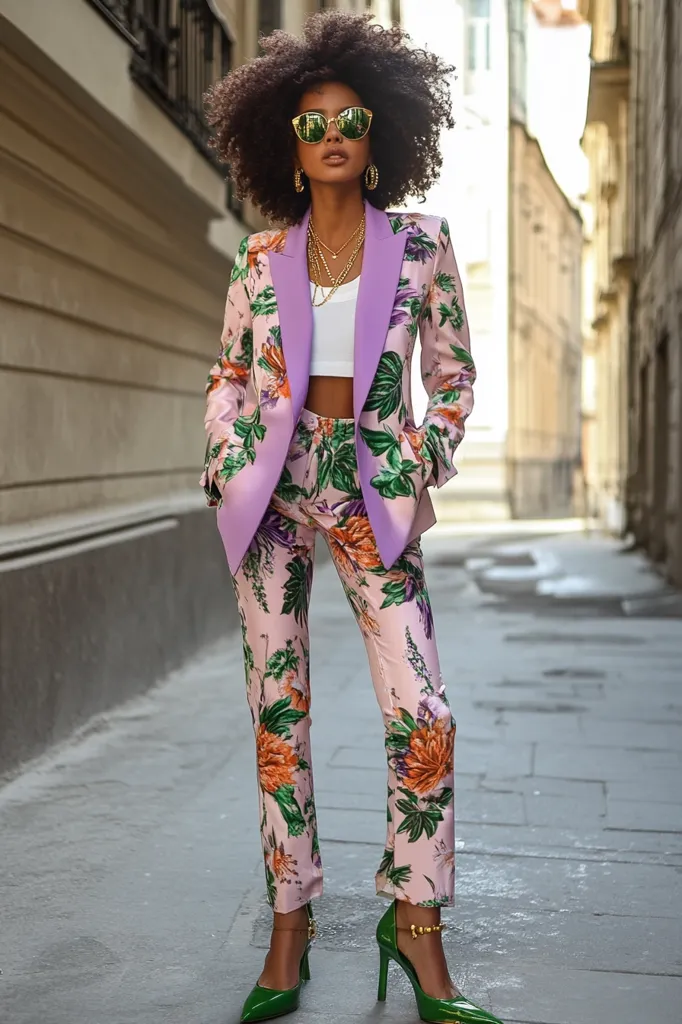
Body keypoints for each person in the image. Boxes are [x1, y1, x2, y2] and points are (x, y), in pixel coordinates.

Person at [202, 12, 502, 1024]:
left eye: (352, 120)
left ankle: (415, 925)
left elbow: (453, 378)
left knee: (423, 710)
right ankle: (289, 927)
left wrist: (422, 456)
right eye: (312, 123)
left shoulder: (422, 246)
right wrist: (226, 459)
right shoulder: (259, 257)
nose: (331, 136)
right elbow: (230, 376)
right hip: (274, 490)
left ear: (382, 137)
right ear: (284, 142)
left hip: (372, 484)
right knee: (276, 713)